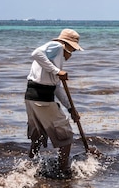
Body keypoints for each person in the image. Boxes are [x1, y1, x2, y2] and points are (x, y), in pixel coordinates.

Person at [25, 28, 83, 174]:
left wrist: (71, 109)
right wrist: (57, 71)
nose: (72, 54)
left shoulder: (51, 62)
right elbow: (35, 53)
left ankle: (29, 167)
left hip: (31, 96)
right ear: (67, 45)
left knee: (38, 133)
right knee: (66, 136)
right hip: (42, 98)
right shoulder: (57, 47)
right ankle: (63, 170)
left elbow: (56, 88)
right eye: (73, 50)